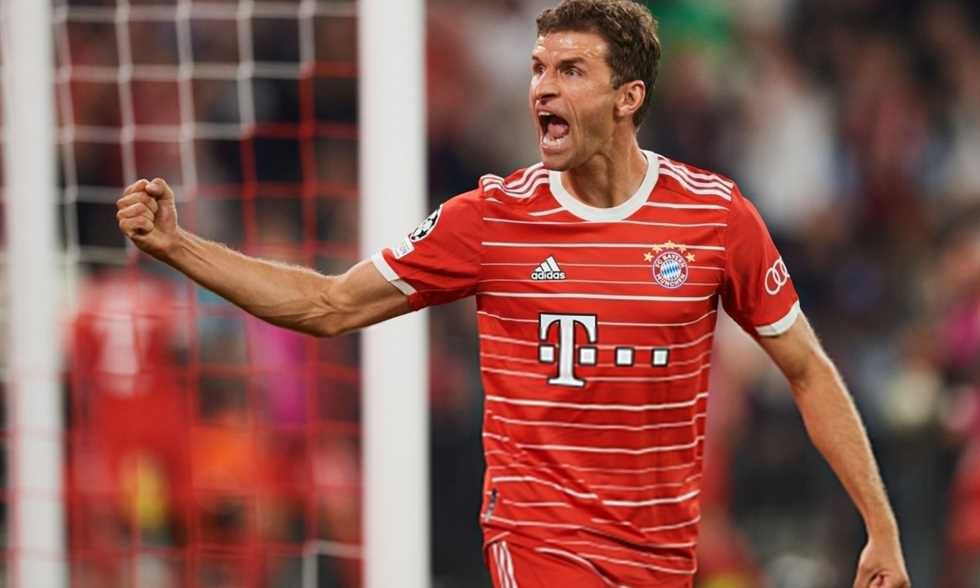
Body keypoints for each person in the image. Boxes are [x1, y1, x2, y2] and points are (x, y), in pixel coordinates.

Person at [116, 0, 910, 585]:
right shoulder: (491, 218)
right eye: (537, 70)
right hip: (539, 542)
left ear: (628, 97)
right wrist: (180, 247)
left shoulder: (713, 216)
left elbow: (807, 369)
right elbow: (330, 305)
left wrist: (880, 525)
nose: (542, 90)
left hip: (661, 554)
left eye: (570, 71)